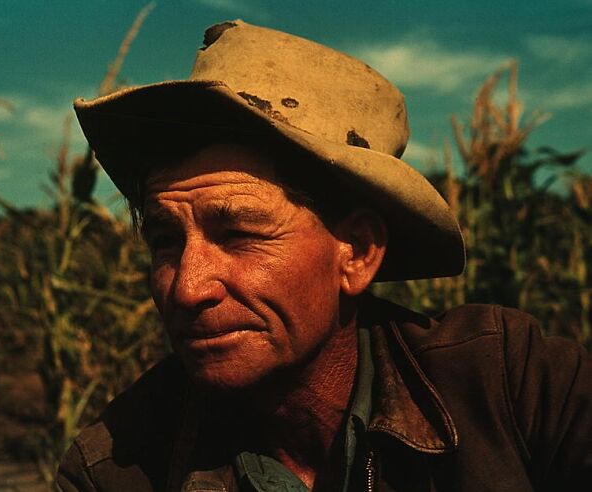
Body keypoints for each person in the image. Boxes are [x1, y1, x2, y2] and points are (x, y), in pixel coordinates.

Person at [57, 20, 592, 491]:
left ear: (356, 253)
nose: (187, 287)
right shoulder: (116, 468)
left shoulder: (518, 386)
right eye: (164, 241)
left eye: (239, 234)